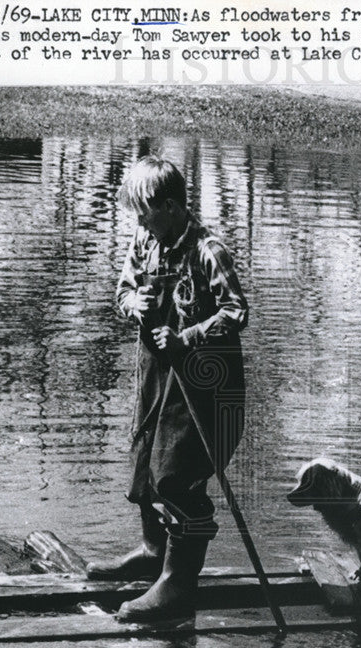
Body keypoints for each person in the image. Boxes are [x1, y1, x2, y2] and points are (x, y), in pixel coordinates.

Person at [87, 156, 247, 623]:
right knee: (145, 463)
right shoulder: (144, 240)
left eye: (145, 212)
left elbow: (237, 312)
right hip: (156, 374)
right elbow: (121, 293)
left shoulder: (208, 250)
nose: (138, 222)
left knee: (178, 476)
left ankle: (178, 584)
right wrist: (132, 303)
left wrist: (188, 335)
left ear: (173, 206)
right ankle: (152, 551)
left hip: (203, 386)